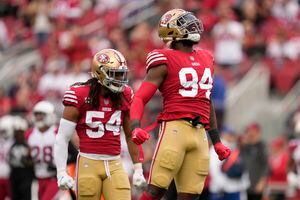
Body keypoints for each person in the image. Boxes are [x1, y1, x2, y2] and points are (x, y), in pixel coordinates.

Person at [130, 8, 231, 200]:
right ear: (172, 31)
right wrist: (136, 125)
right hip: (175, 129)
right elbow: (140, 97)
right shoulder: (164, 59)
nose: (194, 27)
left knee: (191, 195)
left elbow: (205, 101)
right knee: (156, 190)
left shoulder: (206, 58)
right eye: (187, 24)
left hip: (200, 133)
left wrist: (216, 141)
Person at [54, 48, 146, 200]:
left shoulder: (125, 94)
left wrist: (138, 168)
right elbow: (63, 137)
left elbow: (131, 135)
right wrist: (61, 172)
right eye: (115, 74)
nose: (120, 78)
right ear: (100, 73)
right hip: (88, 162)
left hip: (115, 163)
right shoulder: (79, 94)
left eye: (121, 73)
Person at [26, 101, 59, 200]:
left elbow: (73, 154)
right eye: (37, 114)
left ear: (50, 116)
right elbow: (27, 156)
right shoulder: (29, 134)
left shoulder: (57, 133)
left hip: (54, 178)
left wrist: (57, 166)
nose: (39, 117)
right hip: (37, 178)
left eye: (42, 115)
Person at [8, 116, 34, 200]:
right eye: (17, 132)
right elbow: (10, 160)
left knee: (26, 195)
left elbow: (32, 161)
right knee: (15, 195)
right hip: (15, 174)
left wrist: (27, 161)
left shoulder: (29, 144)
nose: (18, 135)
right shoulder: (11, 144)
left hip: (26, 174)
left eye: (20, 132)